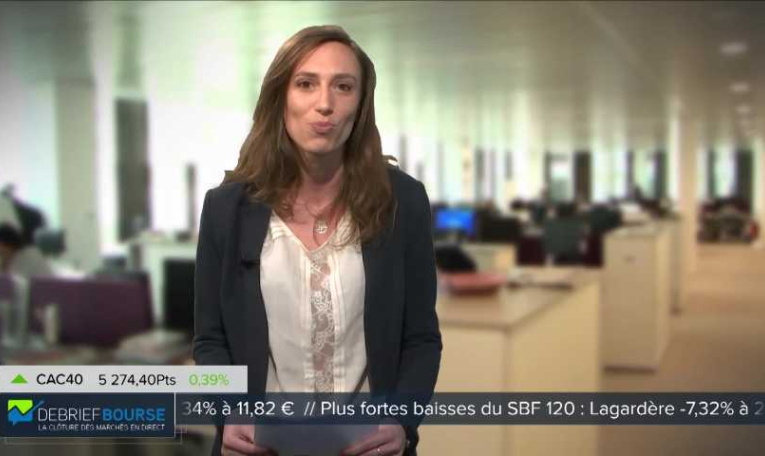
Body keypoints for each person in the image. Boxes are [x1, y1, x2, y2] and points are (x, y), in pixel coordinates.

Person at [193, 25, 441, 456]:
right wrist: (228, 411)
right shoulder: (226, 209)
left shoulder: (402, 201)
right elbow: (210, 340)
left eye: (343, 87)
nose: (324, 103)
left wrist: (402, 422)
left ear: (360, 104)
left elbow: (420, 338)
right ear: (281, 97)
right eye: (306, 84)